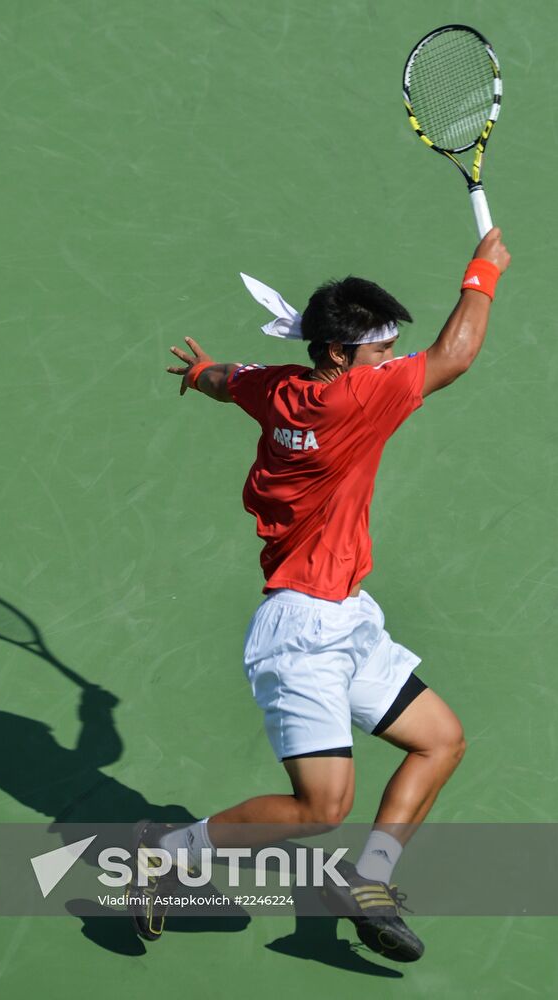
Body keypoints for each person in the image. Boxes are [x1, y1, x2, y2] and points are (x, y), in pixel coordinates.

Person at [127, 228, 511, 961]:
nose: (390, 360)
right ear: (337, 354)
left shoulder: (280, 389)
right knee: (321, 807)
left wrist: (201, 371)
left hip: (345, 617)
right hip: (300, 631)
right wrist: (483, 271)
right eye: (380, 351)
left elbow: (229, 380)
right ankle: (163, 853)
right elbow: (454, 355)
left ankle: (369, 883)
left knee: (439, 740)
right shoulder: (354, 402)